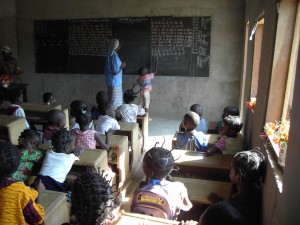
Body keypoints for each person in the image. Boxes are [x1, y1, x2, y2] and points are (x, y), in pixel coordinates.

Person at [208, 148, 266, 225]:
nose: (229, 169)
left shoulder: (234, 205)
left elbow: (222, 213)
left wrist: (216, 203)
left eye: (231, 168)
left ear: (239, 178)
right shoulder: (256, 190)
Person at [133, 146, 193, 219]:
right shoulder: (179, 187)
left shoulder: (139, 188)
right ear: (171, 169)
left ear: (149, 172)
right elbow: (187, 207)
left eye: (143, 163)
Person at [0, 140, 45, 224]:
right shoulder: (19, 191)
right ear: (17, 164)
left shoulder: (19, 190)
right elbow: (37, 218)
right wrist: (39, 194)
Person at [104, 39, 127, 109]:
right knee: (115, 103)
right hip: (115, 83)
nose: (120, 46)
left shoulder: (109, 55)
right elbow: (115, 72)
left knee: (111, 101)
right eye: (118, 44)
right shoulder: (114, 56)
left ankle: (112, 116)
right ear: (116, 46)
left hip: (111, 82)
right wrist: (122, 66)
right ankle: (114, 117)